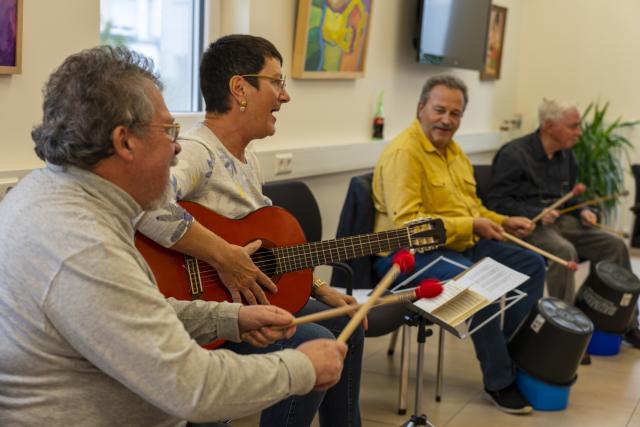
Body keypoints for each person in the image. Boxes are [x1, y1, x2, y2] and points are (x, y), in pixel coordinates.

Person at [0, 46, 347, 426]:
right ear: (125, 141)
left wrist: (230, 317)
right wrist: (301, 368)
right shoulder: (82, 244)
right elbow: (192, 387)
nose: (178, 147)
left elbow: (135, 311)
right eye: (169, 131)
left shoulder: (45, 192)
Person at [137, 34, 365, 427]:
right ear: (240, 88)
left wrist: (317, 289)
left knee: (347, 322)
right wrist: (223, 257)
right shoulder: (197, 152)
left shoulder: (245, 159)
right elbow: (147, 205)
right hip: (205, 311)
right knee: (313, 343)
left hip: (248, 297)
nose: (284, 96)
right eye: (277, 82)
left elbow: (257, 252)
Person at [371, 75, 545, 415]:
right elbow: (410, 226)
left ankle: (515, 357)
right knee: (478, 282)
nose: (447, 120)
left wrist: (501, 220)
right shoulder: (404, 153)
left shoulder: (453, 151)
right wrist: (471, 224)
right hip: (405, 256)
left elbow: (472, 207)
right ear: (421, 108)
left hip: (460, 246)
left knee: (532, 265)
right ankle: (499, 380)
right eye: (439, 110)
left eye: (455, 113)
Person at [485, 98, 640, 348]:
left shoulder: (567, 156)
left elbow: (576, 196)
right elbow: (495, 202)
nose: (579, 132)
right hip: (528, 226)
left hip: (563, 223)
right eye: (573, 126)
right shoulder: (514, 154)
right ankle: (567, 333)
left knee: (614, 245)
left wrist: (586, 211)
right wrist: (537, 211)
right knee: (563, 252)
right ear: (548, 125)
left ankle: (626, 324)